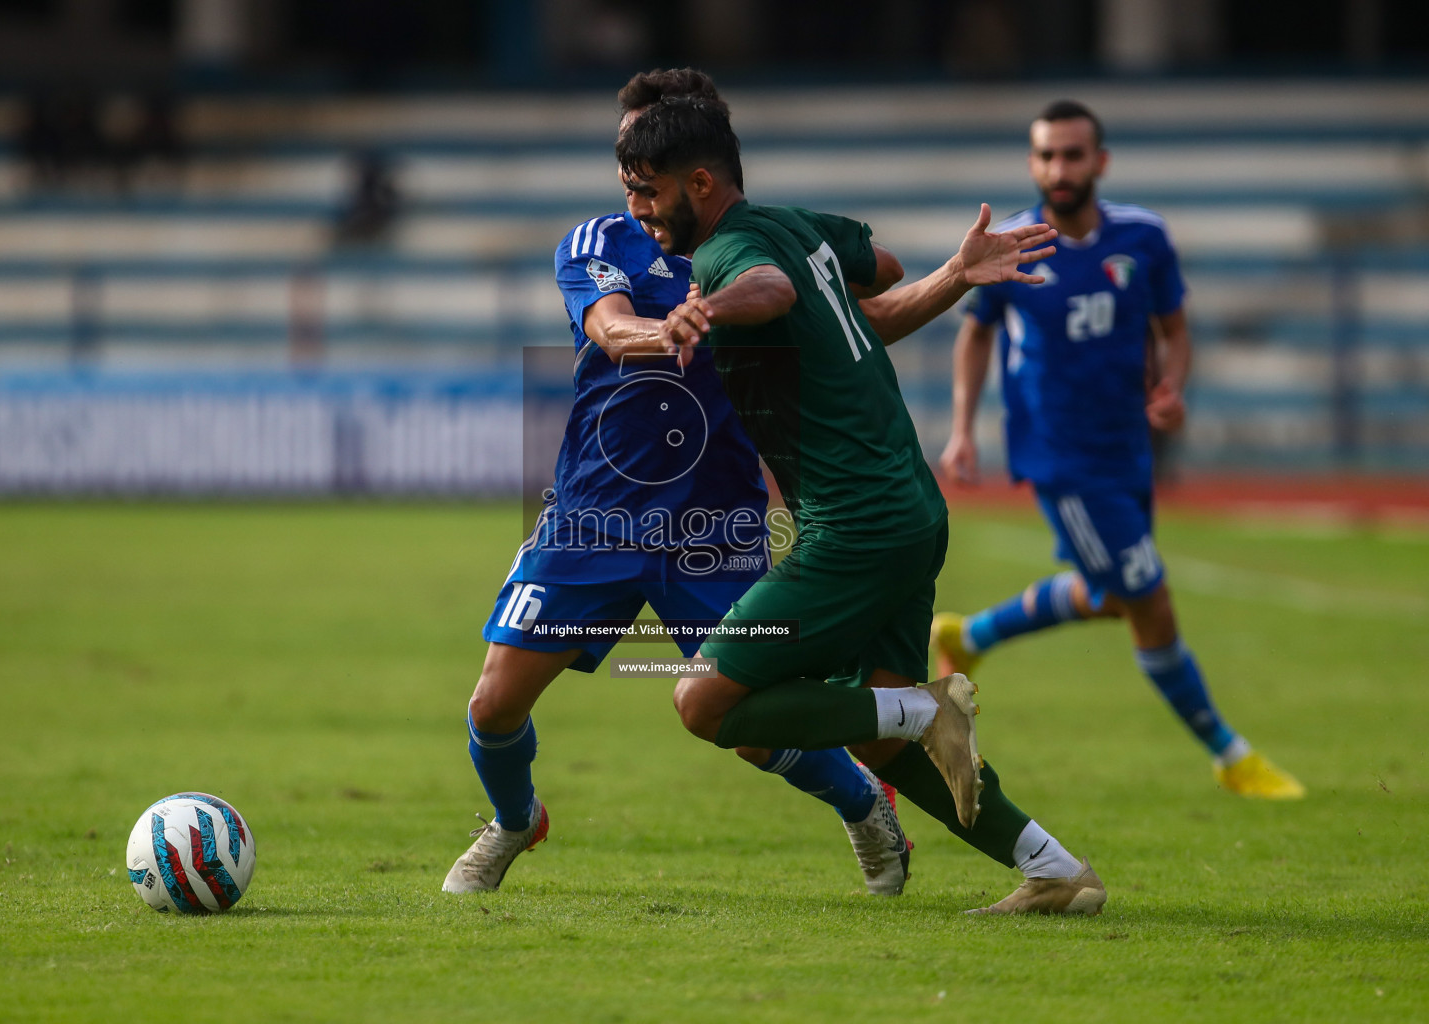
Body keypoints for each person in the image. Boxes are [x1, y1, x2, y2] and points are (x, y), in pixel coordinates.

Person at [619, 95, 1107, 915]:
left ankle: (928, 707)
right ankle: (1056, 870)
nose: (638, 209)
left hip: (855, 527)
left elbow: (768, 289)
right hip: (910, 510)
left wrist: (708, 306)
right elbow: (876, 279)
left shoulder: (730, 254)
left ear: (698, 183)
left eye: (646, 189)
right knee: (878, 735)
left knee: (704, 701)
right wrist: (954, 274)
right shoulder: (799, 225)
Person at [444, 70, 913, 898]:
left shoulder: (756, 242)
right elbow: (614, 331)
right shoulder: (600, 240)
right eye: (624, 164)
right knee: (492, 705)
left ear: (693, 163)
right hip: (595, 519)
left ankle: (864, 805)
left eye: (644, 166)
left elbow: (870, 289)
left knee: (748, 727)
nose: (631, 185)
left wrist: (952, 278)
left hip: (716, 525)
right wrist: (678, 323)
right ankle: (515, 822)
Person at [930, 99, 1304, 800]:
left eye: (1073, 155)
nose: (1058, 168)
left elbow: (1174, 329)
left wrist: (1174, 386)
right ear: (1032, 163)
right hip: (1061, 458)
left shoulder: (1144, 238)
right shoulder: (1010, 243)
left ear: (1099, 162)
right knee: (1149, 599)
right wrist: (960, 428)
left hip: (1129, 448)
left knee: (1111, 596)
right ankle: (1230, 753)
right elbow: (975, 332)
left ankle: (971, 633)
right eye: (1046, 155)